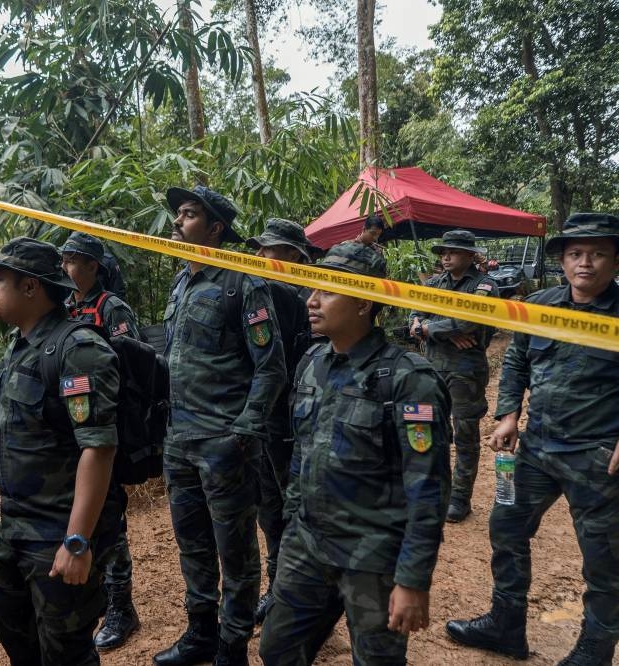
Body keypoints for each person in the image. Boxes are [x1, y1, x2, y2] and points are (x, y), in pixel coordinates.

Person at [259, 241, 452, 666]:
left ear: (364, 303)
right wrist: (292, 527)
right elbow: (301, 454)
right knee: (277, 650)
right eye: (313, 289)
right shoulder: (312, 363)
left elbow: (429, 488)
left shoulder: (408, 379)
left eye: (327, 291)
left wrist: (412, 579)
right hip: (308, 546)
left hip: (373, 558)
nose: (311, 301)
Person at [446, 213, 619, 665]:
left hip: (598, 455)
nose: (585, 263)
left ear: (616, 261)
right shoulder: (539, 305)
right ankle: (505, 626)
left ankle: (594, 651)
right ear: (562, 260)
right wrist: (508, 415)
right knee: (506, 528)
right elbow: (517, 360)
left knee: (604, 558)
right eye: (576, 253)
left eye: (598, 254)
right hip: (536, 449)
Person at [156, 186, 286, 666]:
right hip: (180, 442)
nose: (177, 222)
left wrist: (242, 433)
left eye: (188, 215)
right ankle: (201, 634)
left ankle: (232, 646)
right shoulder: (181, 283)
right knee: (192, 545)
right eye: (178, 214)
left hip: (224, 444)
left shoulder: (242, 283)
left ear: (214, 229)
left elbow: (271, 367)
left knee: (236, 552)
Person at [0, 237, 123, 665]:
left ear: (30, 287)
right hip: (16, 527)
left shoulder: (78, 350)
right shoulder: (21, 346)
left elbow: (99, 449)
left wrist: (76, 541)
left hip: (57, 531)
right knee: (16, 638)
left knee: (65, 652)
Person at [59, 231, 142, 651]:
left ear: (93, 266)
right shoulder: (65, 307)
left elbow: (133, 362)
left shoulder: (111, 307)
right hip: (73, 429)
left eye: (73, 261)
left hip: (105, 426)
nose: (66, 268)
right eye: (64, 260)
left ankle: (121, 606)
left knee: (109, 517)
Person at [244, 218, 317, 624]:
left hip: (299, 423)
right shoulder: (258, 294)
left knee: (298, 507)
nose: (258, 255)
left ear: (293, 255)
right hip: (266, 420)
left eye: (267, 249)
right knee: (268, 506)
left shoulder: (313, 299)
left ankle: (301, 594)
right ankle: (277, 585)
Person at [409, 229, 499, 522]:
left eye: (454, 252)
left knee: (465, 435)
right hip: (431, 368)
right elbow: (414, 315)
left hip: (465, 371)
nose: (446, 257)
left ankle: (460, 497)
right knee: (425, 429)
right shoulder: (434, 283)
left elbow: (468, 321)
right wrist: (436, 329)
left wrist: (429, 329)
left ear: (470, 256)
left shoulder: (484, 286)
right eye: (443, 252)